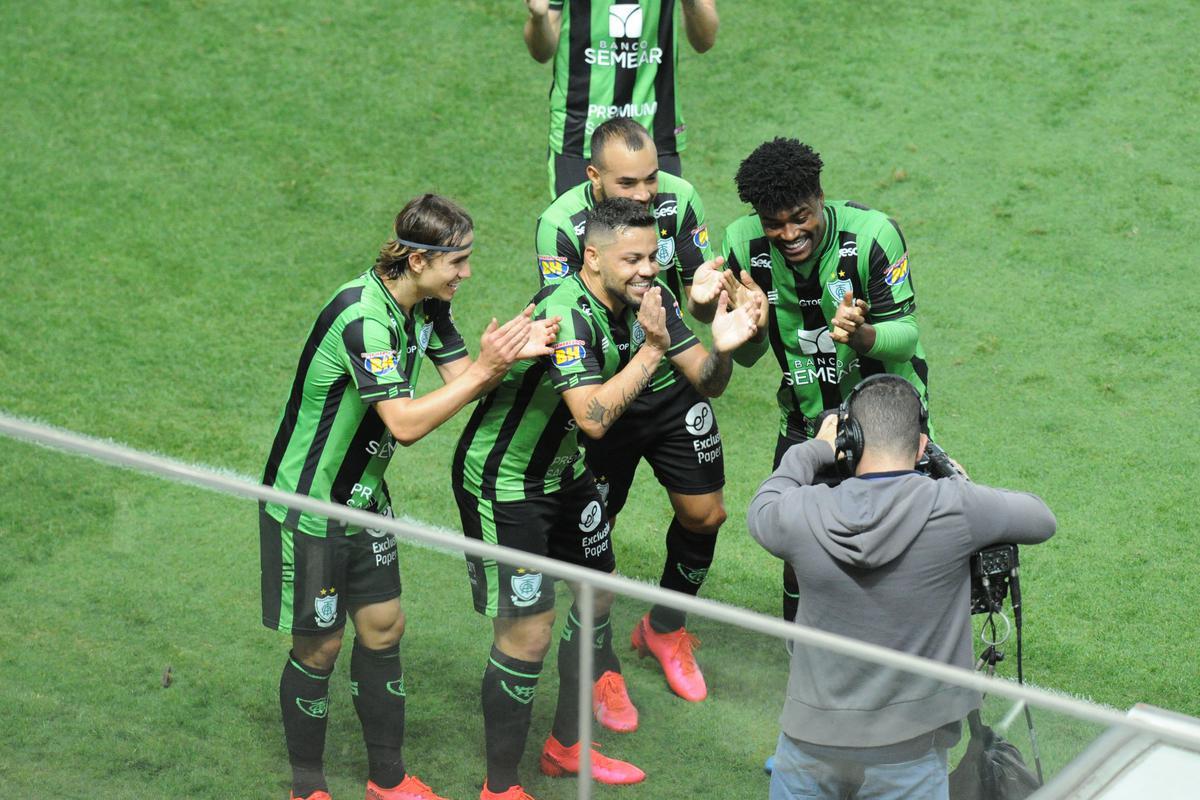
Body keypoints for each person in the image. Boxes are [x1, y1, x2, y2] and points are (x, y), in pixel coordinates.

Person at [453, 197, 761, 800]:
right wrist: (652, 350)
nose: (648, 269)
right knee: (528, 633)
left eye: (652, 256)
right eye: (632, 259)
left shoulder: (648, 298)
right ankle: (500, 788)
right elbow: (592, 418)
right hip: (507, 483)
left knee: (596, 598)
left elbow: (706, 382)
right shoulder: (566, 311)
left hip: (565, 475)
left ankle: (566, 747)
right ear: (592, 258)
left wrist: (723, 346)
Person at [260, 194, 558, 800]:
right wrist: (487, 370)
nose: (466, 273)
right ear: (418, 260)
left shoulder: (427, 306)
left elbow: (461, 383)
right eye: (458, 261)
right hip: (310, 505)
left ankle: (387, 781)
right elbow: (404, 423)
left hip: (366, 498)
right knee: (320, 647)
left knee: (384, 628)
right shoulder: (362, 319)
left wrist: (504, 359)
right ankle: (307, 787)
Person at [535, 116, 759, 710]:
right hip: (605, 386)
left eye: (651, 179)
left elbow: (693, 301)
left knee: (706, 515)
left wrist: (711, 312)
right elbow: (572, 311)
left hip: (666, 376)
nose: (644, 194)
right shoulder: (560, 225)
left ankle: (664, 627)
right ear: (594, 177)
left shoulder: (679, 201)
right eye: (628, 183)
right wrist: (649, 349)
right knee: (593, 540)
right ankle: (599, 665)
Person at [747, 374, 1057, 800]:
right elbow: (1041, 518)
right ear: (921, 445)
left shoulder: (802, 510)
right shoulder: (956, 507)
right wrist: (960, 483)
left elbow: (763, 505)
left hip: (810, 744)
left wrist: (814, 449)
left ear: (851, 443)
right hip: (911, 751)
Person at [712, 137, 934, 624]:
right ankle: (802, 652)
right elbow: (748, 357)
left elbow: (906, 336)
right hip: (805, 420)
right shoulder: (742, 245)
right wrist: (752, 330)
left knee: (897, 550)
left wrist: (863, 335)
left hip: (886, 420)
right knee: (799, 553)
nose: (790, 233)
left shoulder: (872, 236)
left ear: (820, 197)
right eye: (774, 223)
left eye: (800, 217)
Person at [523, 0, 720, 197]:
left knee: (657, 219)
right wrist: (539, 18)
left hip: (655, 135)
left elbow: (705, 40)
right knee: (581, 219)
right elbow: (541, 52)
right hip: (580, 135)